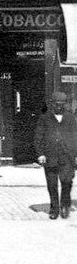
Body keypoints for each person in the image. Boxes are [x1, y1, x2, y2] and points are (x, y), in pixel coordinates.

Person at [35, 91, 77, 220]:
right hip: (50, 156)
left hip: (67, 156)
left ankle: (65, 205)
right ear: (52, 104)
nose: (59, 107)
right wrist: (40, 154)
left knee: (66, 181)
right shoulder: (44, 118)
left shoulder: (70, 118)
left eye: (61, 104)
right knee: (52, 184)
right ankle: (54, 208)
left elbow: (75, 136)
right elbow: (38, 137)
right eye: (56, 104)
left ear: (64, 105)